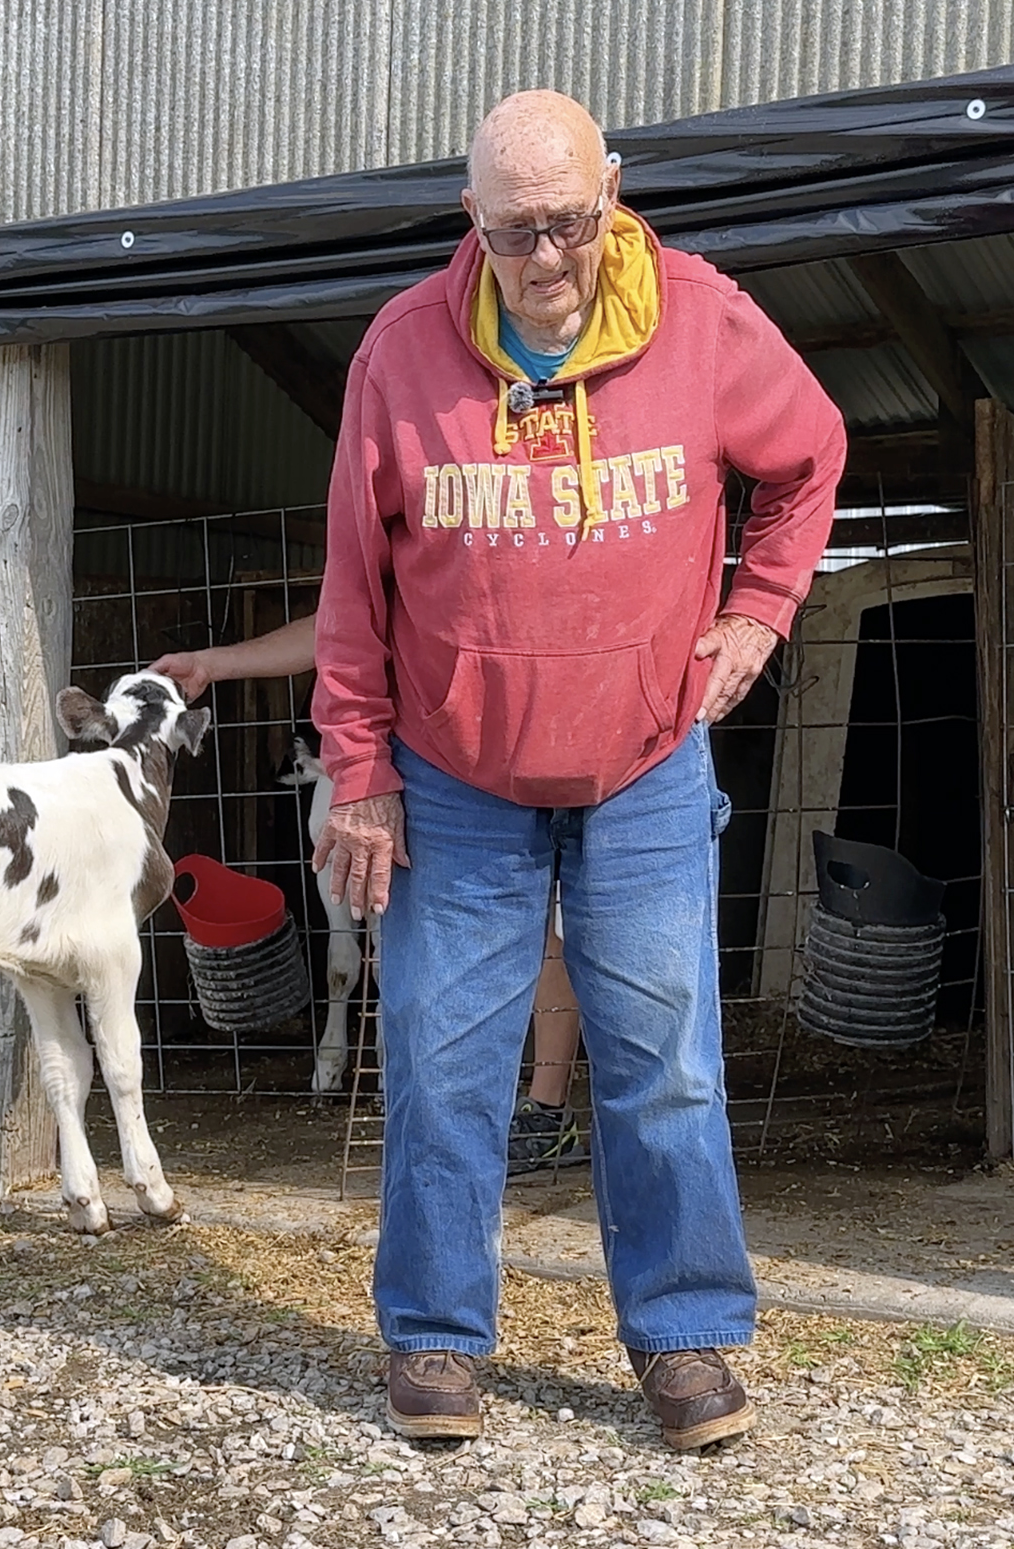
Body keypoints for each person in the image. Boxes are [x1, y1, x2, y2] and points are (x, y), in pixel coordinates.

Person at [308, 90, 845, 1445]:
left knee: (664, 1058)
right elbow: (355, 583)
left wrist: (762, 608)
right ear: (469, 222)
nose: (543, 257)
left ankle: (685, 1336)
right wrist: (358, 765)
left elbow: (811, 457)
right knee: (442, 1060)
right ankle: (433, 1338)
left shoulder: (706, 319)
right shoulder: (400, 353)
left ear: (613, 188)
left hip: (648, 765)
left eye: (566, 221)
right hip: (454, 775)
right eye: (510, 231)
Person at [154, 617, 588, 1173]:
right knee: (425, 934)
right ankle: (440, 1112)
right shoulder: (399, 569)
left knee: (544, 922)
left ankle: (544, 1110)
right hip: (424, 762)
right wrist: (216, 663)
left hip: (538, 743)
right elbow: (338, 619)